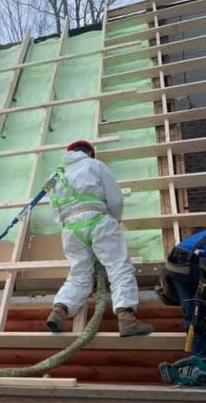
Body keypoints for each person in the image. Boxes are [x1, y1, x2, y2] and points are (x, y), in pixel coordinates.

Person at [46, 140, 153, 337]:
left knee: (78, 274)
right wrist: (114, 221)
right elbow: (115, 199)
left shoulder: (55, 176)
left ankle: (59, 310)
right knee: (118, 266)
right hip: (97, 219)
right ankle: (126, 318)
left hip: (70, 228)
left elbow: (55, 212)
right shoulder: (95, 166)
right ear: (88, 153)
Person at [157, 230, 206, 385]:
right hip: (196, 263)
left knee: (195, 318)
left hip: (178, 262)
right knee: (199, 318)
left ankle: (198, 366)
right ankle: (201, 368)